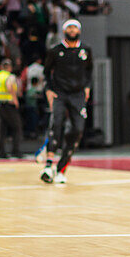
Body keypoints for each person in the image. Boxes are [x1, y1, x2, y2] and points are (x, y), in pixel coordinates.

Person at [40, 19, 93, 185]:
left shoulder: (86, 50)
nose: (72, 30)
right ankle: (48, 166)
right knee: (56, 124)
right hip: (60, 93)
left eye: (74, 27)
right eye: (69, 27)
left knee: (78, 129)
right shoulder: (55, 51)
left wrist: (87, 87)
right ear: (64, 30)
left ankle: (61, 168)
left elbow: (89, 71)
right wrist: (49, 89)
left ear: (79, 30)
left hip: (77, 94)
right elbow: (46, 71)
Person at [0, 59, 23, 159]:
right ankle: (15, 151)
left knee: (2, 130)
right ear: (10, 68)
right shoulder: (9, 76)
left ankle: (1, 153)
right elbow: (9, 87)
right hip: (9, 104)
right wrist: (15, 99)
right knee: (17, 127)